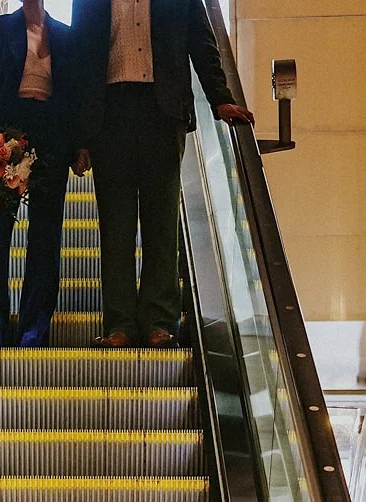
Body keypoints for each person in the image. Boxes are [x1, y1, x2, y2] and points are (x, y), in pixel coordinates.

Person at [73, 0, 253, 347]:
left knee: (162, 221)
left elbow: (202, 42)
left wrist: (220, 99)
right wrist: (79, 138)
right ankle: (120, 325)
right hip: (109, 114)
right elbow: (79, 59)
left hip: (163, 111)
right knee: (116, 226)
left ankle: (158, 321)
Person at [0, 0, 87, 348]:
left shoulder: (65, 36)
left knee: (46, 235)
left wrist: (80, 144)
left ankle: (34, 331)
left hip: (52, 134)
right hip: (6, 133)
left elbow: (74, 97)